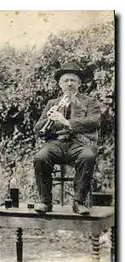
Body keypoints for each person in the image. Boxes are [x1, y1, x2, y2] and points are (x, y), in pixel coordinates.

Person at [34, 63, 101, 215]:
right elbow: (38, 128)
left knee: (88, 156)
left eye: (73, 80)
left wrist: (66, 122)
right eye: (66, 81)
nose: (69, 83)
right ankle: (45, 201)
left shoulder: (89, 102)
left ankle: (78, 202)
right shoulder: (52, 103)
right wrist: (48, 119)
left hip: (80, 142)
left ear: (79, 83)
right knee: (40, 157)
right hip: (57, 143)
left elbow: (94, 122)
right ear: (60, 84)